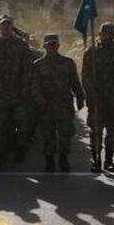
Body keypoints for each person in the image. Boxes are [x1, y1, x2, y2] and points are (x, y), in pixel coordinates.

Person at [0, 14, 32, 170]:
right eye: (3, 24)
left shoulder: (20, 43)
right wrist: (0, 39)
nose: (5, 27)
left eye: (8, 24)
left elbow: (26, 65)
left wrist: (25, 85)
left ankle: (20, 148)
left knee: (21, 121)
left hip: (16, 89)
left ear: (12, 26)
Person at [30, 34, 85, 173]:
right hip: (46, 106)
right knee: (48, 135)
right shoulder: (38, 65)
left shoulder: (68, 63)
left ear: (58, 46)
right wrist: (38, 97)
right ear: (44, 46)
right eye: (48, 45)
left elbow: (75, 83)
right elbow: (34, 85)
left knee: (65, 134)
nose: (51, 47)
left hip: (64, 104)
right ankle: (49, 160)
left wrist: (80, 97)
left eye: (54, 44)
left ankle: (63, 158)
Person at [82, 23, 114, 172]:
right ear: (100, 34)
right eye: (105, 33)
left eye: (111, 33)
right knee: (96, 132)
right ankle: (96, 159)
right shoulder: (91, 51)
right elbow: (86, 75)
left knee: (113, 132)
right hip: (97, 98)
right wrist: (91, 91)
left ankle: (109, 159)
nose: (108, 36)